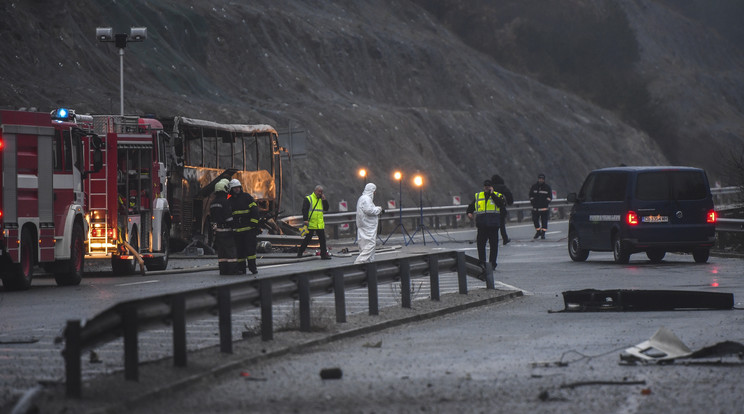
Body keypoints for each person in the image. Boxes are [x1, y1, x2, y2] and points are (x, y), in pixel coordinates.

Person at [466, 180, 506, 269]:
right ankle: (482, 263)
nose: (487, 187)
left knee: (494, 246)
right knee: (480, 245)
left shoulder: (498, 195)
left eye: (488, 186)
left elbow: (501, 205)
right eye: (485, 186)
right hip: (482, 225)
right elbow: (472, 205)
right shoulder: (478, 196)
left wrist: (492, 194)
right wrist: (469, 212)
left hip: (493, 225)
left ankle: (492, 264)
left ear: (492, 187)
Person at [228, 178, 259, 274]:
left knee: (250, 251)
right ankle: (242, 269)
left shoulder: (247, 197)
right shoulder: (230, 200)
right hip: (237, 231)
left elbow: (255, 210)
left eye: (238, 187)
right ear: (231, 189)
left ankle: (253, 268)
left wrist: (253, 224)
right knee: (240, 251)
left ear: (240, 187)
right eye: (234, 188)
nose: (236, 189)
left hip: (249, 230)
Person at [210, 178, 239, 275]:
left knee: (221, 252)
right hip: (226, 230)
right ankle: (232, 270)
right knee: (231, 251)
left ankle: (223, 270)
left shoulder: (212, 203)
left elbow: (212, 218)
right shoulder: (225, 202)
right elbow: (228, 218)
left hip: (218, 231)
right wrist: (234, 228)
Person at [297, 185, 331, 259]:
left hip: (319, 224)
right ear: (315, 191)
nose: (320, 193)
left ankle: (324, 255)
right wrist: (305, 219)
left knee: (322, 240)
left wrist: (324, 200)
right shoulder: (309, 198)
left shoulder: (321, 199)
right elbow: (304, 210)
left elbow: (326, 208)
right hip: (311, 223)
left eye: (321, 192)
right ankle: (300, 252)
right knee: (307, 239)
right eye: (319, 191)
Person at [354, 183, 384, 264]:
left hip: (363, 225)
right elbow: (369, 210)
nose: (375, 193)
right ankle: (360, 262)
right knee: (370, 244)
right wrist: (379, 209)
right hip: (367, 226)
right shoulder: (366, 199)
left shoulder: (362, 198)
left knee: (364, 244)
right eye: (374, 191)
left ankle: (368, 264)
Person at [491, 174, 514, 245]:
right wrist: (510, 202)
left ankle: (492, 239)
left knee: (491, 226)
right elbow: (508, 194)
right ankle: (505, 239)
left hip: (490, 209)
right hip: (500, 208)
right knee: (501, 225)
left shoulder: (490, 188)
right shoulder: (502, 187)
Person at [529, 173, 553, 239]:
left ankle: (543, 233)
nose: (541, 180)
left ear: (544, 180)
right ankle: (538, 231)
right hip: (535, 208)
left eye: (542, 179)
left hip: (544, 209)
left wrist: (545, 203)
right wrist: (533, 202)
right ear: (538, 179)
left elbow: (550, 197)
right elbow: (531, 195)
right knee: (535, 220)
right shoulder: (534, 187)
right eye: (540, 179)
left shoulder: (547, 187)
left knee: (544, 222)